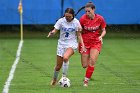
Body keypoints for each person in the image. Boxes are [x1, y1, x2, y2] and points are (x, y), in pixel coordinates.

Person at [47, 8, 85, 86]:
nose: (67, 18)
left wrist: (82, 45)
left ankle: (64, 77)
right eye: (66, 16)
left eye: (69, 16)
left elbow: (79, 35)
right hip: (61, 44)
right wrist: (51, 33)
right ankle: (54, 79)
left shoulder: (76, 22)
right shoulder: (61, 21)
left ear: (73, 15)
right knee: (58, 67)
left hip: (72, 44)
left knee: (65, 58)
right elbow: (55, 30)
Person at [79, 2, 107, 87]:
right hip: (85, 43)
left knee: (92, 62)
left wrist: (101, 36)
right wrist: (81, 44)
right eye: (86, 11)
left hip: (96, 42)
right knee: (84, 65)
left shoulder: (100, 18)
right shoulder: (82, 19)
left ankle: (86, 81)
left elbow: (104, 30)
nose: (87, 13)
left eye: (89, 11)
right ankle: (88, 71)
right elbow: (79, 33)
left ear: (93, 10)